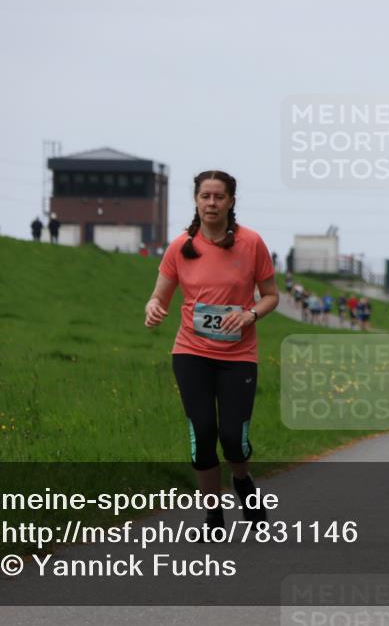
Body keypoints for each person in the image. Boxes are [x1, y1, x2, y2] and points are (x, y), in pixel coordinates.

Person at [144, 170, 279, 537]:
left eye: (219, 197)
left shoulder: (251, 243)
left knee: (233, 439)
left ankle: (242, 480)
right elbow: (160, 296)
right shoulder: (179, 247)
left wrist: (250, 314)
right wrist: (153, 308)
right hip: (191, 352)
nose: (212, 203)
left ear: (231, 201)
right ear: (196, 200)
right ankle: (212, 514)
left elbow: (271, 295)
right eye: (205, 196)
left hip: (239, 356)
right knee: (202, 431)